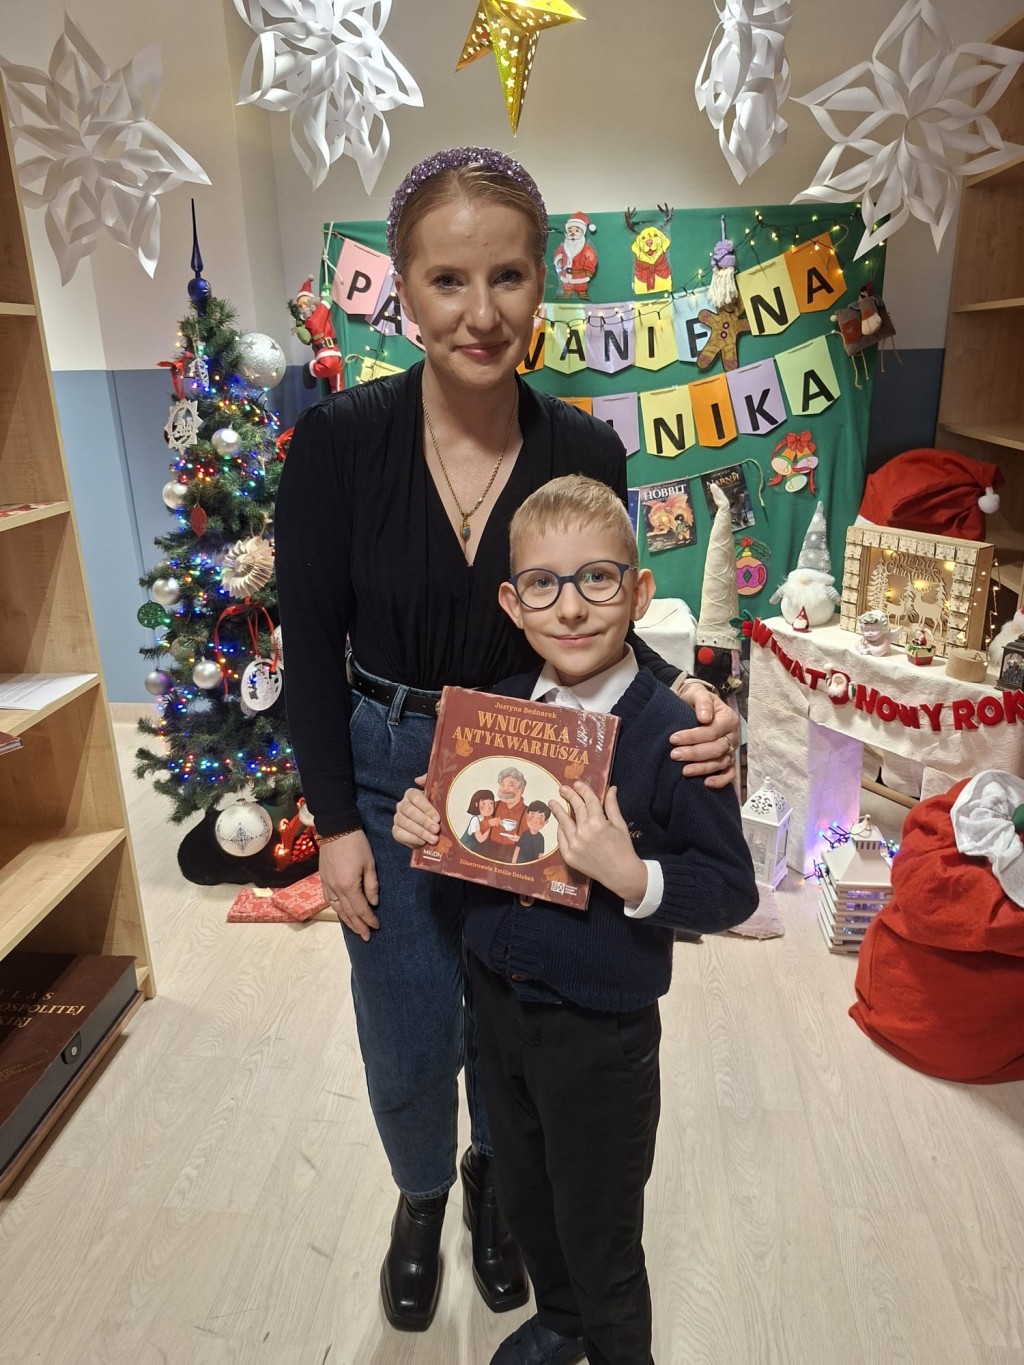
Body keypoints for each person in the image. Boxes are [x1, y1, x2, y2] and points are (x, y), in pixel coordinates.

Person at [274, 145, 741, 1336]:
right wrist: (336, 823)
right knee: (406, 1019)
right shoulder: (338, 445)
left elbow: (593, 617)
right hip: (388, 764)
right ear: (403, 289)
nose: (480, 314)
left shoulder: (584, 449)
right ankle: (422, 1195)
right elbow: (307, 649)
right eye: (447, 280)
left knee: (517, 1002)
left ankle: (497, 1183)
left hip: (536, 757)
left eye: (508, 278)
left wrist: (691, 700)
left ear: (543, 284)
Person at [394, 476, 759, 1365]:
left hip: (601, 1033)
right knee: (526, 1190)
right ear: (512, 604)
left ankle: (614, 1343)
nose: (570, 607)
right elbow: (475, 835)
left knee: (601, 1228)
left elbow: (732, 887)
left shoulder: (675, 732)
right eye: (543, 585)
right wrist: (426, 818)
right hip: (496, 1009)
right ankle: (560, 1318)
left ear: (639, 592)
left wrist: (631, 874)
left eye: (598, 578)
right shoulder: (497, 710)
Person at [462, 789, 496, 854]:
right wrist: (489, 825)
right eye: (484, 803)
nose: (489, 807)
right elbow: (480, 839)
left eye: (491, 803)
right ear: (476, 804)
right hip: (466, 849)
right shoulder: (475, 820)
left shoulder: (484, 818)